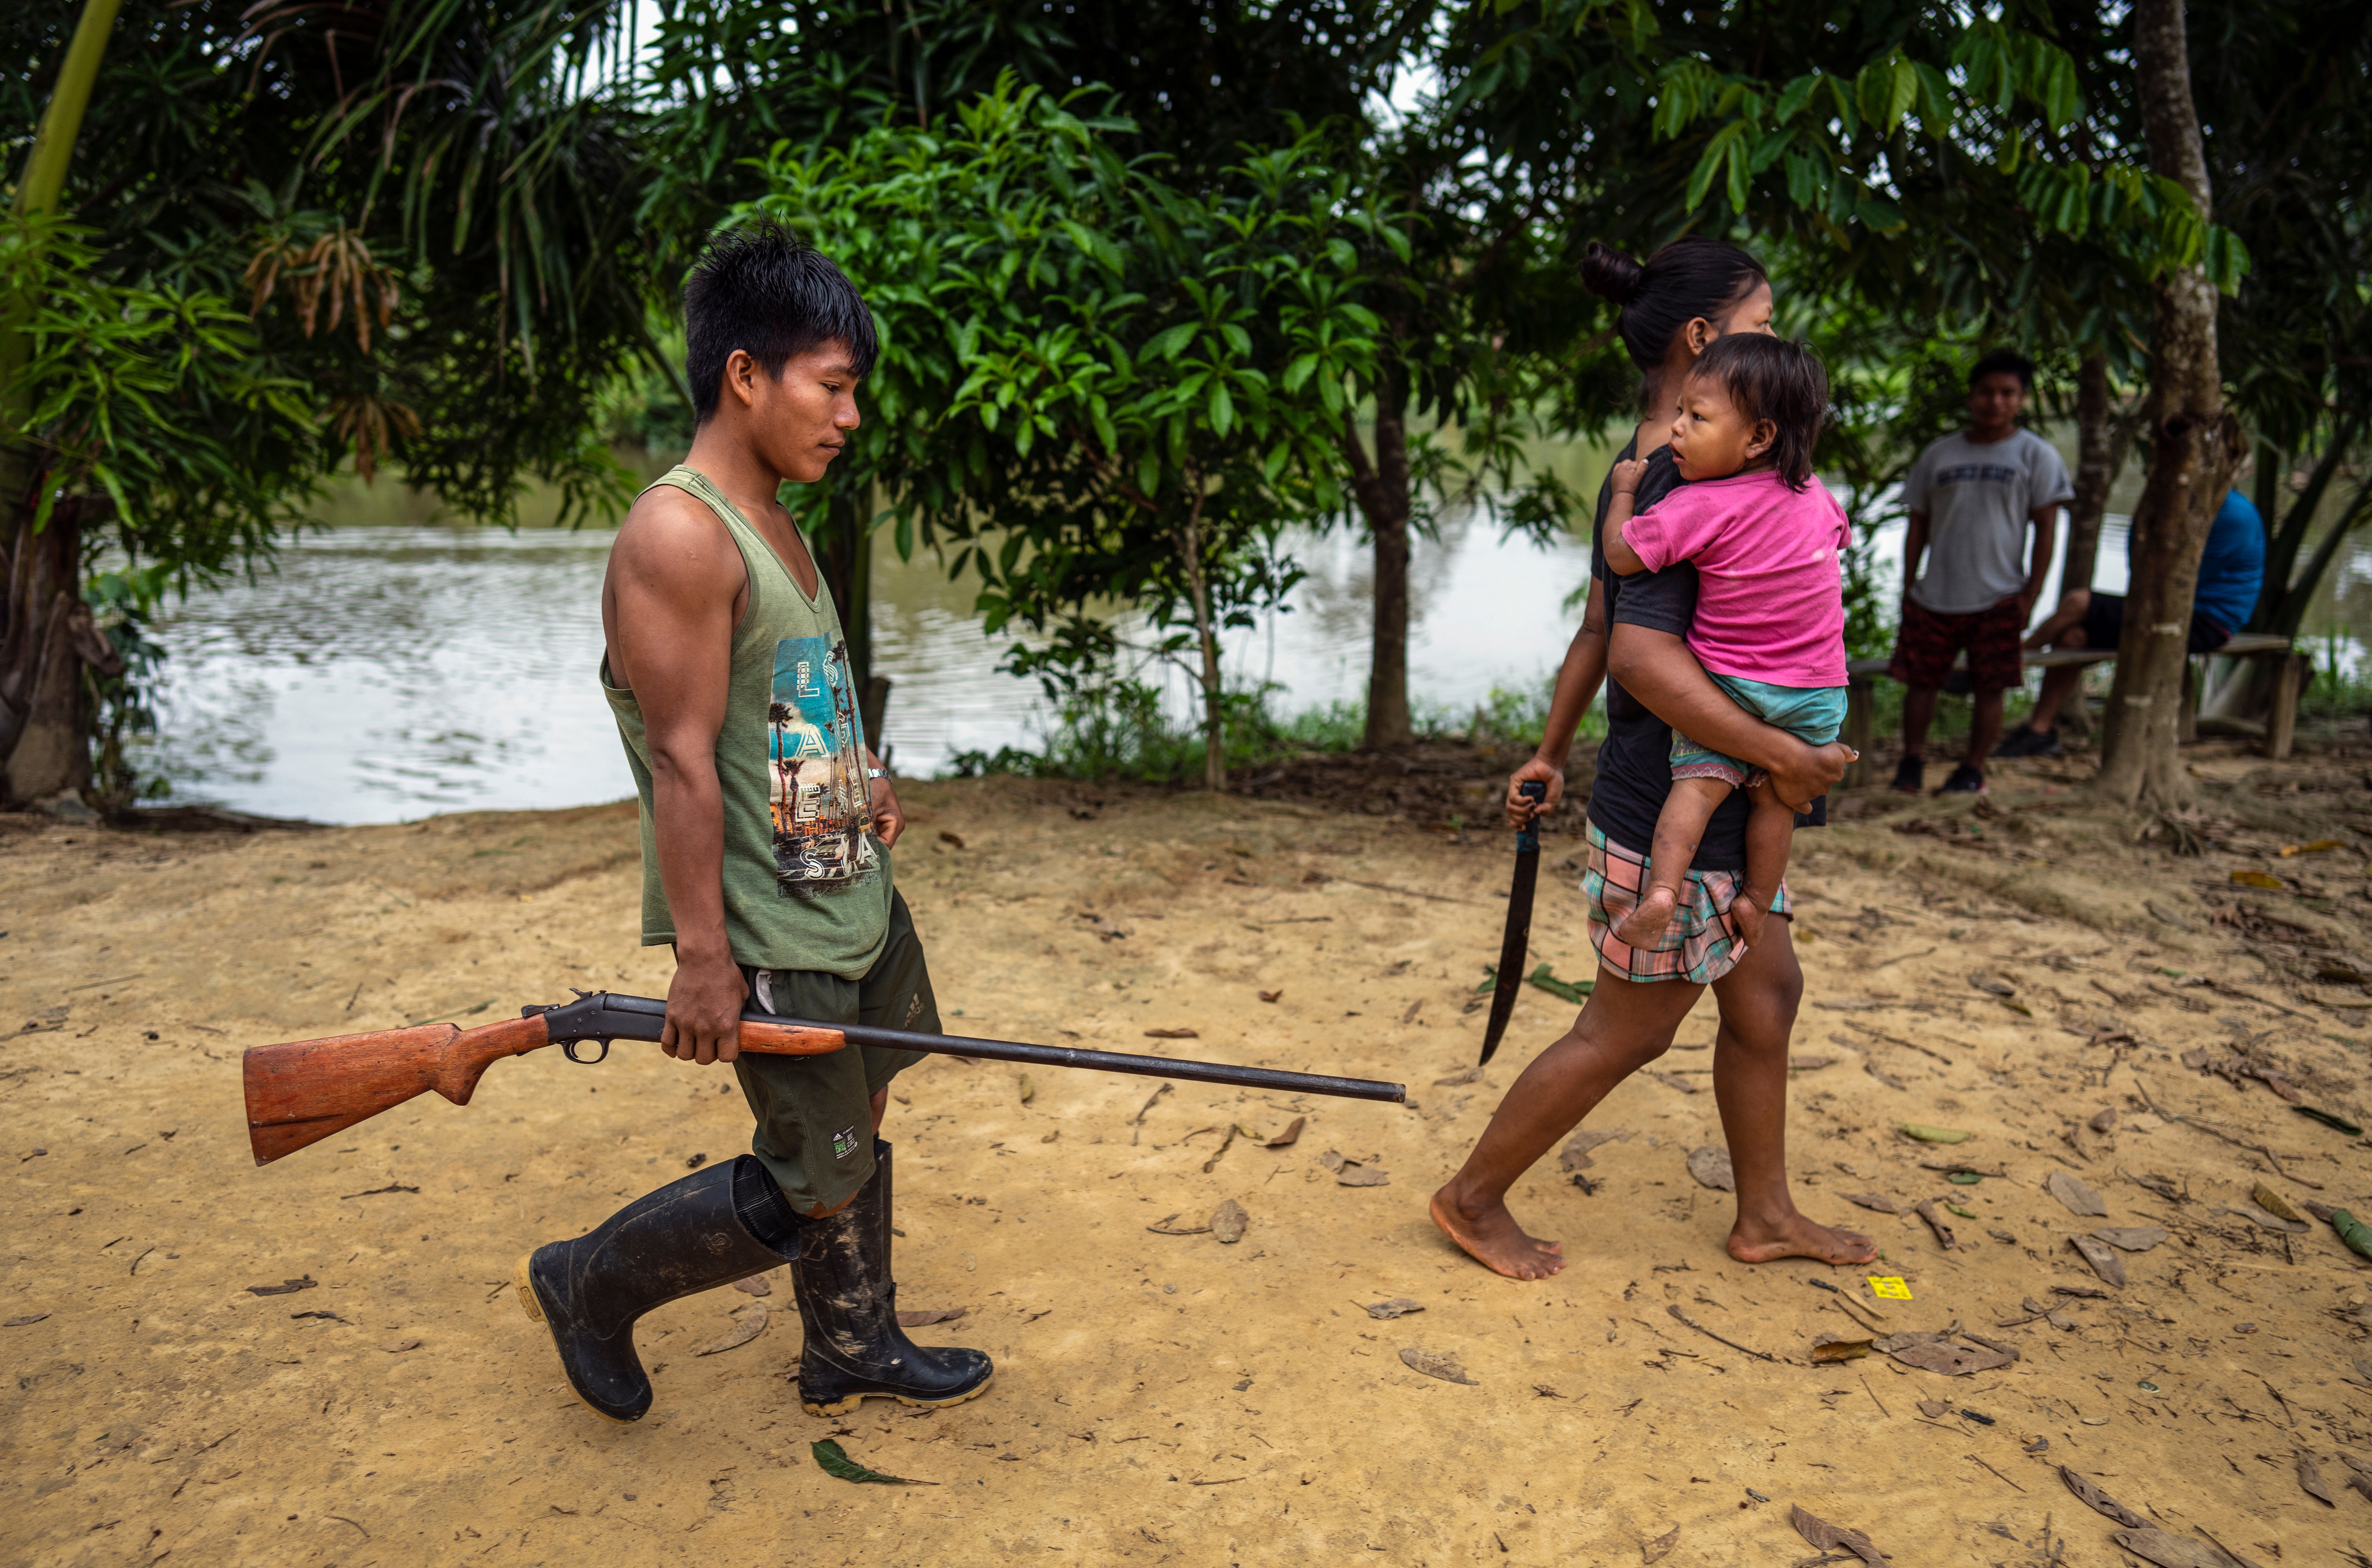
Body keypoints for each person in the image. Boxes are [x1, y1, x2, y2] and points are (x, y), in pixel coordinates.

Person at [514, 222, 993, 1424]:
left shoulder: (774, 512)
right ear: (745, 374)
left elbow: (788, 699)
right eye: (831, 386)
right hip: (772, 932)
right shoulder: (678, 534)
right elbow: (680, 759)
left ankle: (850, 1341)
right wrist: (703, 956)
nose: (850, 415)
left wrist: (858, 770)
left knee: (861, 1120)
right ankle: (589, 1279)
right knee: (807, 1176)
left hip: (846, 896)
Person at [1429, 236, 1870, 1282]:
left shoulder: (1679, 469)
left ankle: (1763, 1211)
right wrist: (1786, 755)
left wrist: (1545, 749)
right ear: (1707, 337)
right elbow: (1636, 648)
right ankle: (1470, 1195)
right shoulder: (1679, 477)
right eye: (1763, 321)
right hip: (1677, 788)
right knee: (1628, 1027)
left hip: (1732, 779)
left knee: (1765, 997)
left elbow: (1591, 623)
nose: (1780, 339)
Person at [1602, 333, 1849, 950]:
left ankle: (1661, 891)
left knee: (1697, 789)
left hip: (1734, 689)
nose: (1677, 431)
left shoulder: (1698, 502)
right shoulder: (1817, 497)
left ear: (1760, 437)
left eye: (1697, 417)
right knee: (1775, 804)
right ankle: (1758, 901)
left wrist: (1626, 493)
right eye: (1680, 412)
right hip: (1819, 694)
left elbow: (1620, 556)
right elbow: (1837, 541)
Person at [1887, 350, 2072, 794]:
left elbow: (2047, 529)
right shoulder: (1940, 454)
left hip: (1999, 598)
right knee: (1920, 683)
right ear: (1972, 397)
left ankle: (1973, 769)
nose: (1996, 402)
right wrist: (1909, 585)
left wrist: (2031, 594)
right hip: (1935, 596)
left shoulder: (2036, 456)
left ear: (2022, 400)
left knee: (1992, 688)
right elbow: (1918, 525)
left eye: (2007, 393)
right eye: (1987, 392)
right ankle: (1911, 762)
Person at [1995, 485, 2267, 757]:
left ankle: (2011, 659)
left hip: (2207, 621)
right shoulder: (2187, 503)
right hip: (2172, 610)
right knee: (2074, 639)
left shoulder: (2233, 515)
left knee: (2078, 602)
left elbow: (2178, 577)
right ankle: (2038, 731)